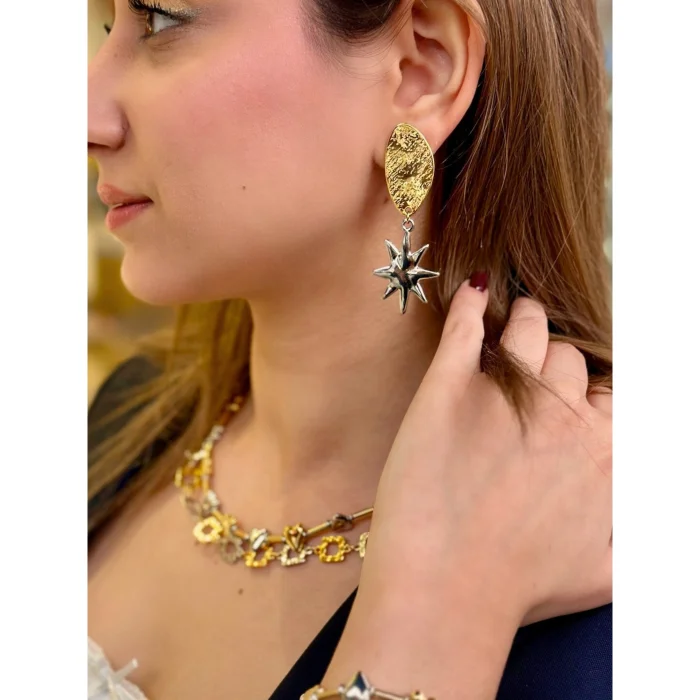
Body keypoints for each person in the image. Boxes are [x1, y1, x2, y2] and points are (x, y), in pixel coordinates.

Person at [87, 1, 612, 699]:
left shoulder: (609, 612)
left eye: (161, 19)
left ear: (421, 70)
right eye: (109, 28)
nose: (86, 116)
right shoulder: (125, 414)